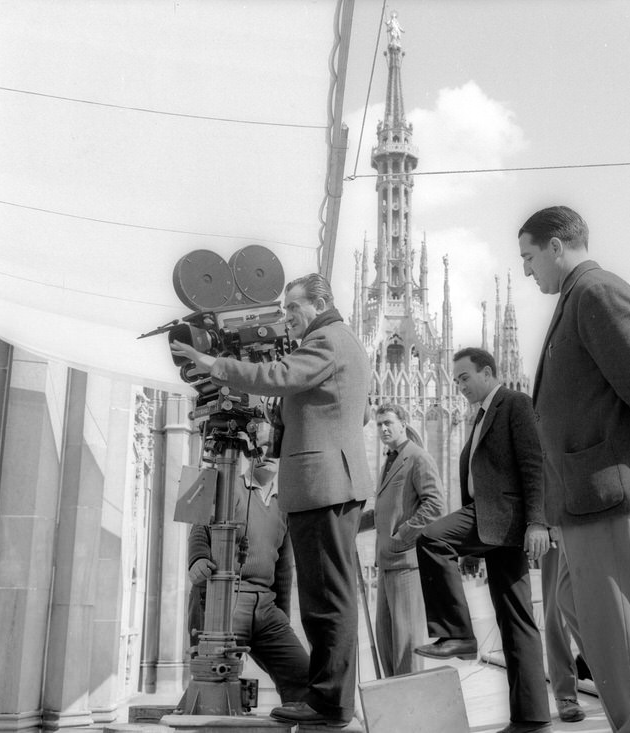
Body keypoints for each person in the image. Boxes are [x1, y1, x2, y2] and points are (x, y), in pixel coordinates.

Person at [171, 272, 373, 729]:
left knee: (327, 601)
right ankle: (329, 700)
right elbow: (356, 411)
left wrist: (212, 362)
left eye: (293, 307)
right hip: (330, 483)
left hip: (323, 485)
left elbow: (277, 376)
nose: (287, 316)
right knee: (327, 598)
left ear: (321, 302)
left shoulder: (326, 339)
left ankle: (329, 704)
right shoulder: (343, 342)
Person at [519, 205, 630, 733]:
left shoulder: (595, 292)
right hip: (581, 496)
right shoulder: (576, 297)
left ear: (556, 247)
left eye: (529, 257)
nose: (527, 270)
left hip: (606, 491)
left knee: (621, 626)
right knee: (577, 605)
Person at [414, 347, 553, 733]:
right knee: (516, 617)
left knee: (431, 538)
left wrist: (537, 522)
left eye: (464, 377)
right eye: (456, 380)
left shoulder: (514, 403)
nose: (459, 386)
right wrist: (473, 551)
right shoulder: (480, 415)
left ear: (488, 373)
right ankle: (531, 718)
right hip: (492, 526)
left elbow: (532, 464)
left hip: (502, 516)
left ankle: (457, 634)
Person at [186, 454, 309, 704]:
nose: (266, 455)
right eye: (260, 448)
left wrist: (282, 617)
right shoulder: (229, 486)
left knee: (305, 680)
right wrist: (197, 558)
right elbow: (200, 527)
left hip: (266, 607)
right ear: (248, 452)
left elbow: (283, 569)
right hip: (225, 600)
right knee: (214, 683)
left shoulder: (284, 504)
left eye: (273, 449)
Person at [358, 403, 445, 676]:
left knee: (407, 644)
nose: (383, 428)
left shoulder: (417, 457)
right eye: (379, 424)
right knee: (386, 642)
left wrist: (402, 535)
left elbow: (435, 506)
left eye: (388, 423)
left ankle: (411, 699)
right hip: (386, 564)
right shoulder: (390, 461)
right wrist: (349, 526)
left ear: (403, 424)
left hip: (407, 563)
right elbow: (383, 512)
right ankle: (393, 695)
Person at [540, 536, 585, 723]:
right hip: (555, 527)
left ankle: (588, 662)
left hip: (598, 524)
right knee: (556, 610)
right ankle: (565, 694)